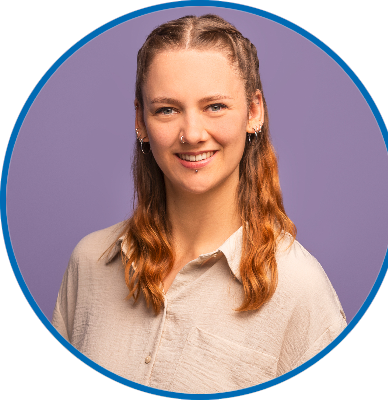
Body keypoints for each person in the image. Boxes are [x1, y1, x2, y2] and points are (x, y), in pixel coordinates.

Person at [51, 14, 347, 394]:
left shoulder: (300, 290)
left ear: (254, 112)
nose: (191, 134)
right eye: (167, 109)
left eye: (215, 106)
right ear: (140, 120)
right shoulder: (88, 263)